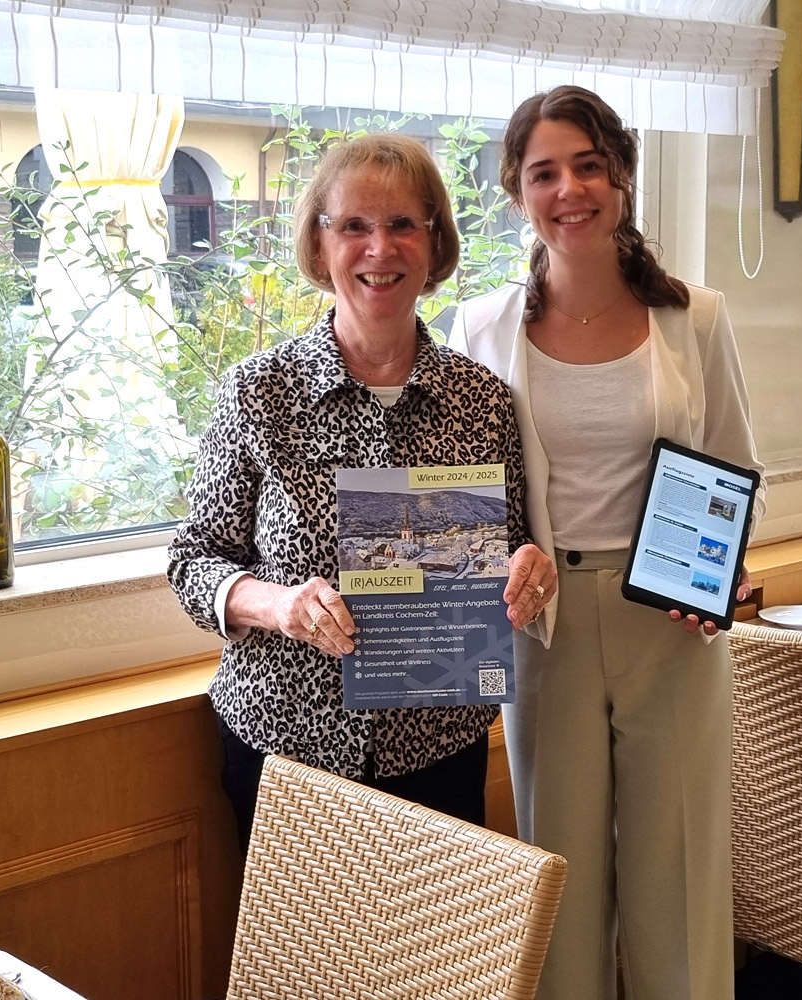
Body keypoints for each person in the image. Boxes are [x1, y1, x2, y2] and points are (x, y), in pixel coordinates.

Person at [451, 86, 764, 1000]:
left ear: (622, 175)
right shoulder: (481, 327)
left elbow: (734, 467)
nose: (570, 190)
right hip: (539, 627)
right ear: (518, 193)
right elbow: (466, 493)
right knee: (560, 882)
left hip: (669, 620)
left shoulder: (695, 317)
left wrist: (723, 571)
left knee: (680, 879)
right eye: (544, 172)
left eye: (589, 165)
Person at [167, 134, 557, 837]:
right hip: (287, 748)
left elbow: (512, 549)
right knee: (294, 919)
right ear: (320, 248)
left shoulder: (483, 401)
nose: (381, 248)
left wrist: (530, 570)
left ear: (434, 245)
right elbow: (194, 560)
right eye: (353, 225)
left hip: (439, 748)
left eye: (403, 223)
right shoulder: (259, 392)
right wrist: (279, 605)